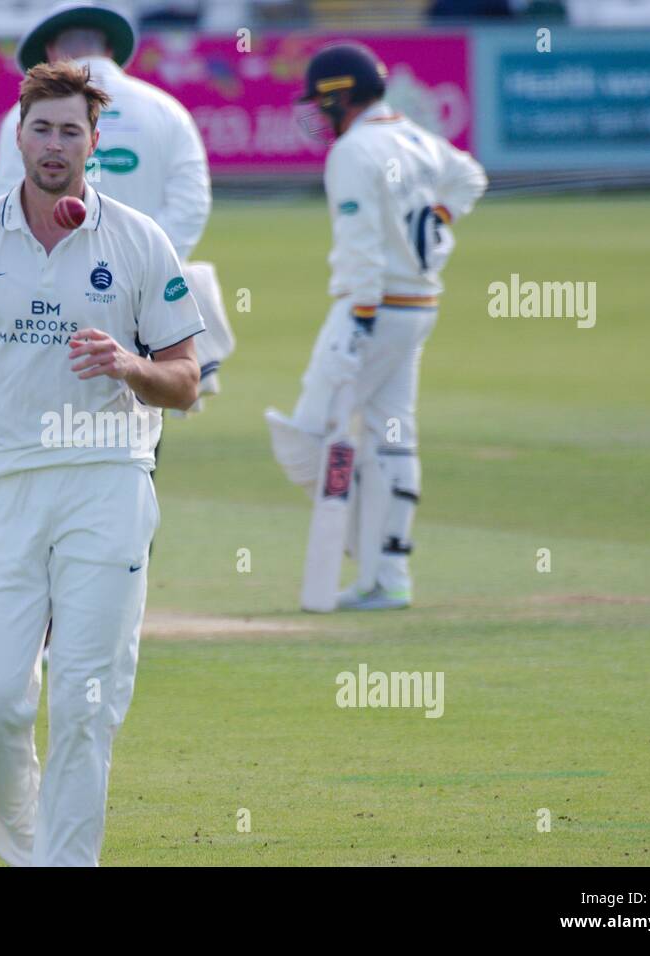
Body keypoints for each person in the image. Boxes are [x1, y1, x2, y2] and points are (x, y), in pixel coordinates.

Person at [0, 61, 204, 866]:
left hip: (106, 480)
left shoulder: (140, 240)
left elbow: (184, 382)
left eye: (72, 130)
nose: (55, 145)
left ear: (94, 142)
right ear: (19, 134)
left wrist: (130, 367)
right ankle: (31, 849)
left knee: (84, 701)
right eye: (42, 128)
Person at [0, 1, 230, 482]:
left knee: (31, 443)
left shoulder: (20, 124)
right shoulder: (169, 111)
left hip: (39, 306)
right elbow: (190, 205)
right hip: (139, 309)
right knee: (134, 454)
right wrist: (145, 278)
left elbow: (8, 212)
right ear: (107, 45)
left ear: (53, 51)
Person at [265, 41, 487, 611]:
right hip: (417, 308)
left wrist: (360, 319)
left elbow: (360, 246)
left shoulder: (353, 152)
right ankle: (388, 576)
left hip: (370, 309)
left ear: (343, 96)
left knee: (306, 441)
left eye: (321, 101)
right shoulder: (415, 137)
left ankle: (365, 547)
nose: (316, 113)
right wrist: (439, 218)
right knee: (392, 433)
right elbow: (470, 178)